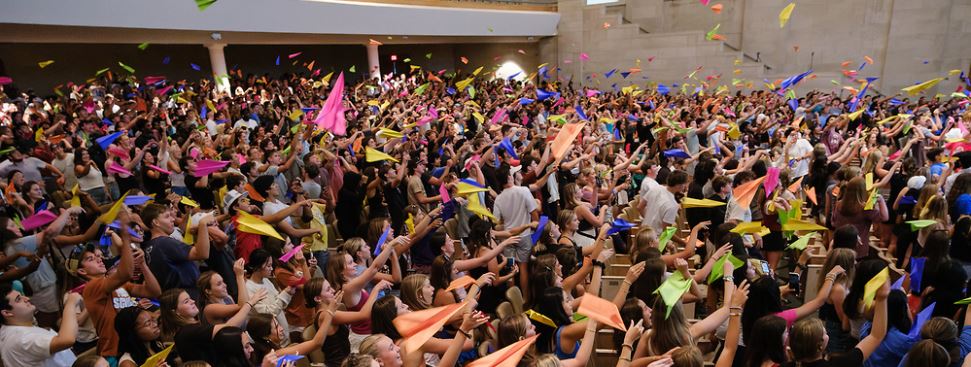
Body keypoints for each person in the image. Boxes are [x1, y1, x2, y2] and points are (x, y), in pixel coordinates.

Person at [0, 281, 81, 367]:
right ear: (7, 313)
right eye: (18, 299)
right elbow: (67, 340)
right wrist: (71, 303)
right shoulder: (22, 339)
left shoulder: (11, 328)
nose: (27, 298)